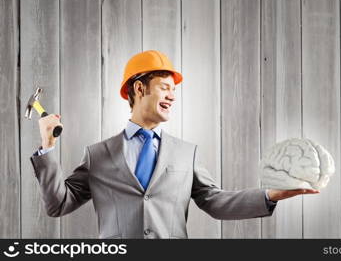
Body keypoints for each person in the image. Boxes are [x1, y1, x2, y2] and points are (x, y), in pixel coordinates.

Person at [30, 50, 319, 239]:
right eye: (165, 88)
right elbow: (58, 204)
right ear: (140, 89)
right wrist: (48, 145)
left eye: (175, 90)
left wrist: (271, 195)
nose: (172, 96)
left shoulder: (186, 153)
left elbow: (215, 202)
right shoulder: (98, 155)